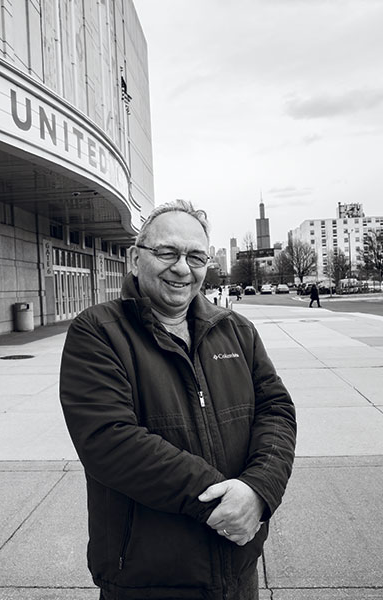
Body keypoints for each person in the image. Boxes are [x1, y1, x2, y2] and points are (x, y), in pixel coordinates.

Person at [60, 200, 296, 600]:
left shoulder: (237, 330)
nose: (182, 268)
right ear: (135, 259)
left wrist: (258, 490)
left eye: (196, 256)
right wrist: (223, 501)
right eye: (167, 252)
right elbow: (109, 440)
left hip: (237, 570)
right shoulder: (98, 332)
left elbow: (277, 411)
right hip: (148, 578)